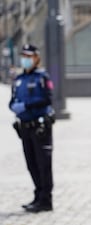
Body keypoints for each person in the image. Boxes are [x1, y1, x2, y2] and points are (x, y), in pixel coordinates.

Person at [9, 44, 55, 213]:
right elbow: (12, 101)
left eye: (29, 56)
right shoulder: (19, 79)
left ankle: (46, 200)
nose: (25, 59)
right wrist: (14, 107)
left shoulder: (42, 77)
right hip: (24, 128)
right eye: (23, 56)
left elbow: (48, 99)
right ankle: (37, 196)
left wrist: (26, 105)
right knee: (31, 164)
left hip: (40, 126)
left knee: (43, 164)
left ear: (36, 58)